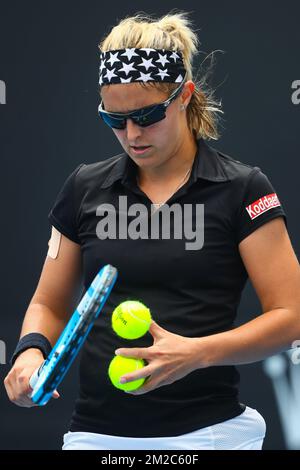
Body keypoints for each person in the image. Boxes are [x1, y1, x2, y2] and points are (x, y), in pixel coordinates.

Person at [4, 12, 300, 451]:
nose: (132, 134)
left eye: (147, 115)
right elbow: (48, 303)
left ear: (184, 96)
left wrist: (196, 352)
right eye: (115, 120)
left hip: (212, 436)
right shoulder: (84, 187)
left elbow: (291, 316)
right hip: (94, 436)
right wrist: (30, 352)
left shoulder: (242, 188)